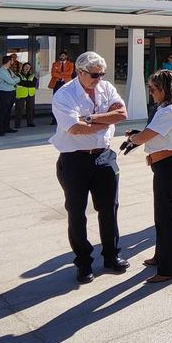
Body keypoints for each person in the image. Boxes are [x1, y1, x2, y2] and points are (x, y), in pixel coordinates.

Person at [50, 51, 129, 283]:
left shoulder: (106, 88)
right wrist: (105, 120)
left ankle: (111, 255)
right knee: (76, 212)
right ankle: (84, 263)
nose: (99, 78)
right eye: (94, 74)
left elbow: (122, 114)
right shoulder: (65, 94)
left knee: (109, 208)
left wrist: (91, 119)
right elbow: (74, 128)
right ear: (80, 72)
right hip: (75, 159)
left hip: (104, 156)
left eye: (102, 74)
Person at [123, 69, 172, 284]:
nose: (150, 93)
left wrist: (135, 138)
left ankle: (171, 267)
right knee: (162, 215)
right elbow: (152, 134)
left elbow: (146, 136)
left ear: (164, 89)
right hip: (167, 162)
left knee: (167, 217)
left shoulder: (169, 111)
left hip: (169, 163)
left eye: (153, 89)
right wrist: (137, 136)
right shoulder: (169, 108)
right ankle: (162, 256)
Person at [0, 54, 19, 136]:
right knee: (3, 111)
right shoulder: (2, 71)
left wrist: (14, 79)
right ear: (8, 61)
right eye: (12, 60)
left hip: (11, 91)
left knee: (8, 111)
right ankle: (0, 130)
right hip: (5, 92)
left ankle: (6, 127)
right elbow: (12, 81)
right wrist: (14, 80)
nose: (13, 62)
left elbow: (17, 78)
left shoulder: (9, 70)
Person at [14, 62, 37, 128]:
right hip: (21, 94)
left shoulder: (32, 76)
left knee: (30, 109)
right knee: (19, 110)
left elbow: (33, 84)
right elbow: (19, 82)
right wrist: (28, 83)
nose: (27, 68)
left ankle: (30, 122)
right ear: (23, 67)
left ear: (30, 68)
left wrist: (25, 83)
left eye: (28, 67)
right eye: (26, 66)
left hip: (30, 94)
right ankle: (17, 124)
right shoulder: (18, 75)